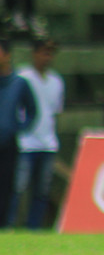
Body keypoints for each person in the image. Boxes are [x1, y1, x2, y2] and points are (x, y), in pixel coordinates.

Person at [8, 38, 63, 228]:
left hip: (47, 143)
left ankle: (34, 226)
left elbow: (56, 113)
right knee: (18, 188)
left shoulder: (56, 81)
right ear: (34, 53)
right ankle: (10, 225)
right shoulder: (22, 77)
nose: (47, 57)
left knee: (41, 191)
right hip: (25, 143)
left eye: (50, 53)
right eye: (43, 52)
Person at [0, 39, 36, 228]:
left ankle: (4, 224)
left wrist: (19, 127)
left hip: (8, 143)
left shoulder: (18, 83)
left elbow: (32, 110)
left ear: (7, 55)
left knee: (7, 185)